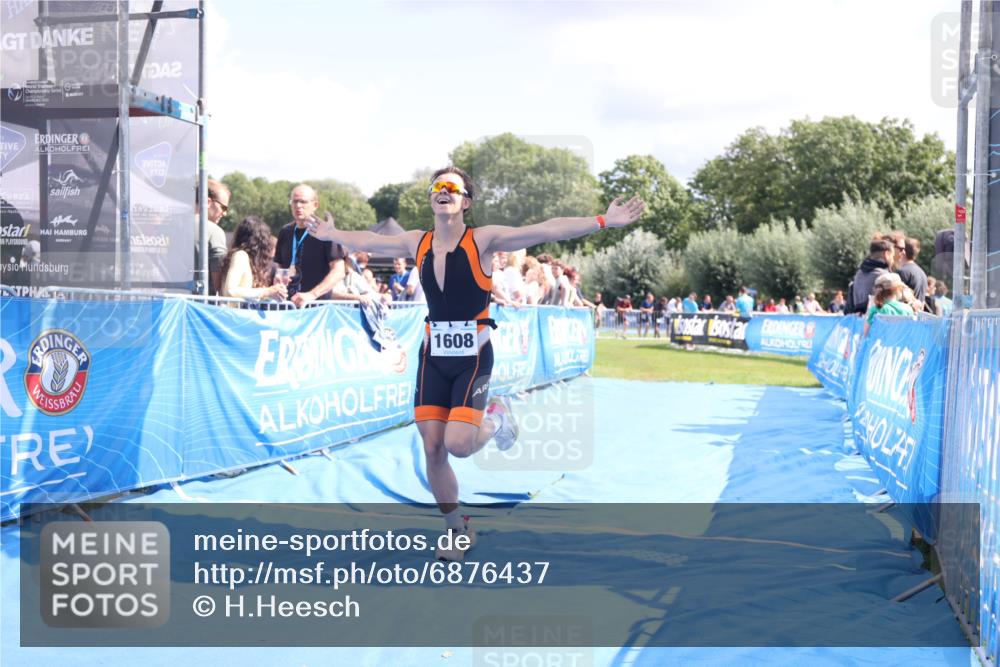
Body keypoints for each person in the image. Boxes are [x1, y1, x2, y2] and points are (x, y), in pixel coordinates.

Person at [308, 166, 644, 560]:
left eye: (453, 187)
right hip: (433, 355)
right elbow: (369, 239)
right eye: (438, 186)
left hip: (473, 356)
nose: (444, 191)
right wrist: (333, 235)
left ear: (466, 200)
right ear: (432, 197)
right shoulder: (417, 242)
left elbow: (548, 229)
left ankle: (497, 419)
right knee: (433, 448)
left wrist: (604, 220)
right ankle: (457, 528)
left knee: (459, 445)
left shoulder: (484, 240)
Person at [275, 184, 347, 307]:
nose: (298, 206)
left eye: (303, 202)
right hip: (288, 306)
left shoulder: (325, 232)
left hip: (316, 309)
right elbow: (279, 264)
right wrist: (278, 276)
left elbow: (339, 271)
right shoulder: (285, 232)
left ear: (315, 205)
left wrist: (312, 294)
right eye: (294, 201)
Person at [220, 216, 287, 301]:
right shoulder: (240, 256)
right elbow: (230, 291)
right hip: (235, 313)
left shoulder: (248, 260)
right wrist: (266, 291)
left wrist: (273, 291)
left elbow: (250, 295)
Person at [196, 178, 230, 295]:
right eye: (223, 207)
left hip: (167, 306)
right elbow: (219, 282)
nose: (225, 213)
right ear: (208, 202)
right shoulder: (214, 231)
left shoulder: (171, 227)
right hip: (199, 307)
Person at [847, 238, 893, 314]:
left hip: (859, 321)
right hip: (877, 321)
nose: (893, 260)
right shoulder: (884, 276)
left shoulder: (858, 274)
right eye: (892, 256)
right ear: (887, 254)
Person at [896, 237, 929, 311]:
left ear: (903, 252)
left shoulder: (903, 272)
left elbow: (897, 299)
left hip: (905, 317)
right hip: (918, 318)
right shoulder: (922, 273)